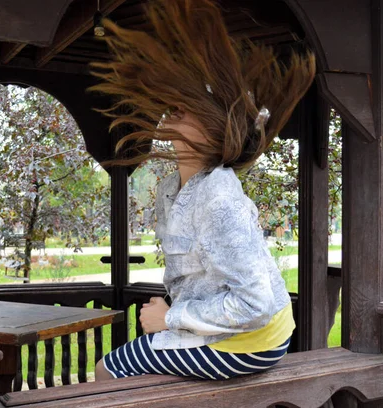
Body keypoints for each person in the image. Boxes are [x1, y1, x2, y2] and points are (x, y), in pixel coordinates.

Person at [90, 0, 315, 381]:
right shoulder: (170, 189)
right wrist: (172, 308)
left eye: (189, 107)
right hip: (225, 330)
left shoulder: (220, 198)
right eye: (176, 104)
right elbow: (196, 274)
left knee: (108, 372)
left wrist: (171, 317)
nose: (175, 110)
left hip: (251, 340)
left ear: (214, 128)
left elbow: (255, 303)